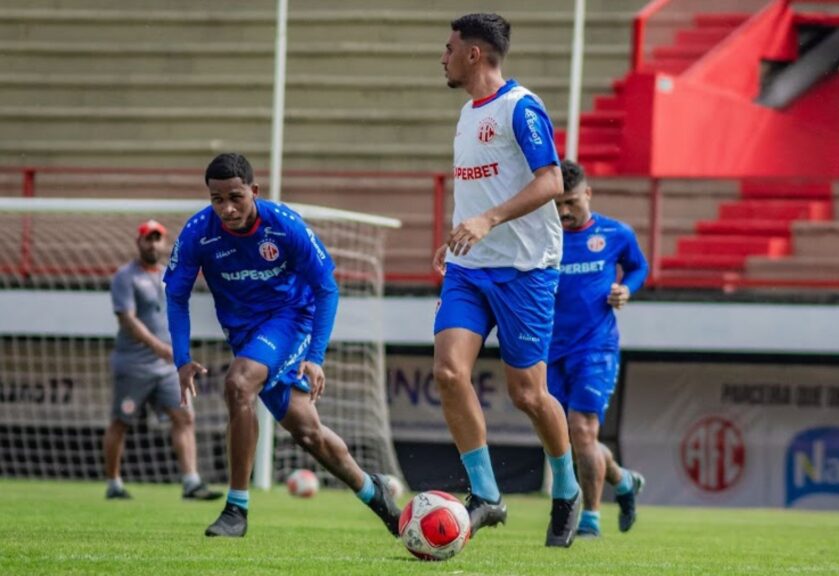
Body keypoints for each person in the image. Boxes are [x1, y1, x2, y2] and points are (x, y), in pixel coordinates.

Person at [164, 152, 400, 538]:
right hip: (246, 335)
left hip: (290, 318)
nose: (226, 208)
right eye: (217, 199)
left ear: (254, 191)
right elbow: (176, 296)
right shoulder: (198, 233)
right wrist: (182, 359)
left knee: (239, 383)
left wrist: (316, 357)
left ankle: (236, 510)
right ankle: (374, 494)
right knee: (308, 434)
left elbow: (326, 289)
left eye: (236, 197)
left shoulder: (284, 225)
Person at [434, 13, 581, 548]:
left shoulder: (521, 107)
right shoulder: (465, 116)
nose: (441, 56)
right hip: (470, 270)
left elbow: (552, 180)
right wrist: (458, 234)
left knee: (527, 393)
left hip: (526, 269)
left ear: (474, 54)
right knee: (450, 373)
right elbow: (477, 192)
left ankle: (566, 489)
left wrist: (488, 221)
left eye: (448, 47)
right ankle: (487, 495)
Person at [549, 159, 649, 538]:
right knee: (570, 437)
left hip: (596, 348)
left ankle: (589, 519)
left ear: (587, 194)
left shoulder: (614, 234)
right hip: (550, 350)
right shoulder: (545, 235)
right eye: (557, 204)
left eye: (571, 202)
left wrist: (627, 289)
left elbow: (638, 267)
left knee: (583, 430)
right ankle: (623, 481)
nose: (564, 212)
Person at [104, 219, 223, 502]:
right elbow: (128, 319)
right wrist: (160, 347)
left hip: (167, 366)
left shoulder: (168, 275)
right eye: (148, 238)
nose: (153, 243)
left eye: (158, 239)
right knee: (121, 421)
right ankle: (114, 482)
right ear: (139, 242)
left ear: (164, 243)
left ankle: (191, 482)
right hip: (134, 364)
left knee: (184, 417)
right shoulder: (125, 277)